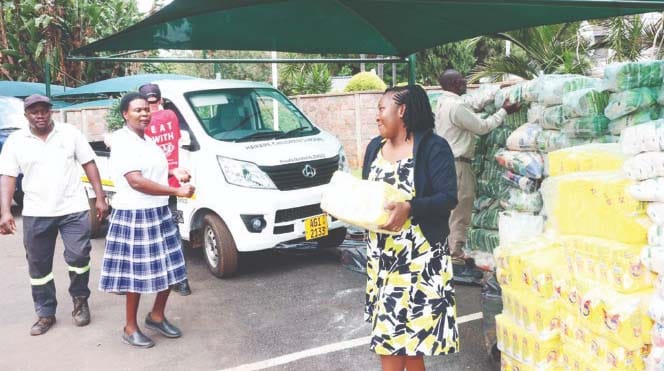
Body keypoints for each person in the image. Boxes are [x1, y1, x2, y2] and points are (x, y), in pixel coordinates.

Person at [362, 85, 458, 371]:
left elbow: (448, 197)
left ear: (401, 110)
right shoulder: (373, 148)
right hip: (381, 259)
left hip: (420, 260)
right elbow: (368, 196)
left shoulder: (432, 147)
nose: (377, 116)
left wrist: (410, 207)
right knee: (410, 348)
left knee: (391, 342)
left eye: (382, 109)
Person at [0, 94, 108, 336]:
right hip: (37, 211)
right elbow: (7, 176)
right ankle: (45, 312)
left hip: (73, 208)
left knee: (79, 257)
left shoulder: (70, 134)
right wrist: (5, 211)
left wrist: (100, 197)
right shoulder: (16, 141)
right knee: (39, 266)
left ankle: (80, 300)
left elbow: (89, 162)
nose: (40, 115)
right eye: (34, 111)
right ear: (26, 114)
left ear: (51, 112)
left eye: (44, 110)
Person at [98, 92, 194, 348]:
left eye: (147, 110)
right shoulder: (123, 142)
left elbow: (153, 171)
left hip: (159, 211)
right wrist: (176, 191)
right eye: (138, 110)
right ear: (125, 114)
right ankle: (130, 327)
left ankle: (156, 316)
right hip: (135, 214)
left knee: (173, 268)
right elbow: (136, 181)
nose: (144, 114)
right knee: (136, 276)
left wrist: (175, 171)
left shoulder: (147, 140)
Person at [434, 69, 520, 283]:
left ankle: (449, 255)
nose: (465, 82)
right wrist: (503, 111)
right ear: (454, 83)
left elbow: (472, 106)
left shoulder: (443, 102)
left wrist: (494, 90)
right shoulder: (456, 106)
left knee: (450, 212)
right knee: (461, 211)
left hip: (446, 164)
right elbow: (482, 127)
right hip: (459, 166)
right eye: (462, 79)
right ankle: (456, 261)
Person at [138, 83, 192, 296]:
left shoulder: (142, 124)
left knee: (150, 235)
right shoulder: (170, 115)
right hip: (173, 187)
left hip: (151, 187)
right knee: (173, 232)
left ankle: (156, 280)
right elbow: (177, 140)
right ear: (160, 99)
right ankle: (182, 281)